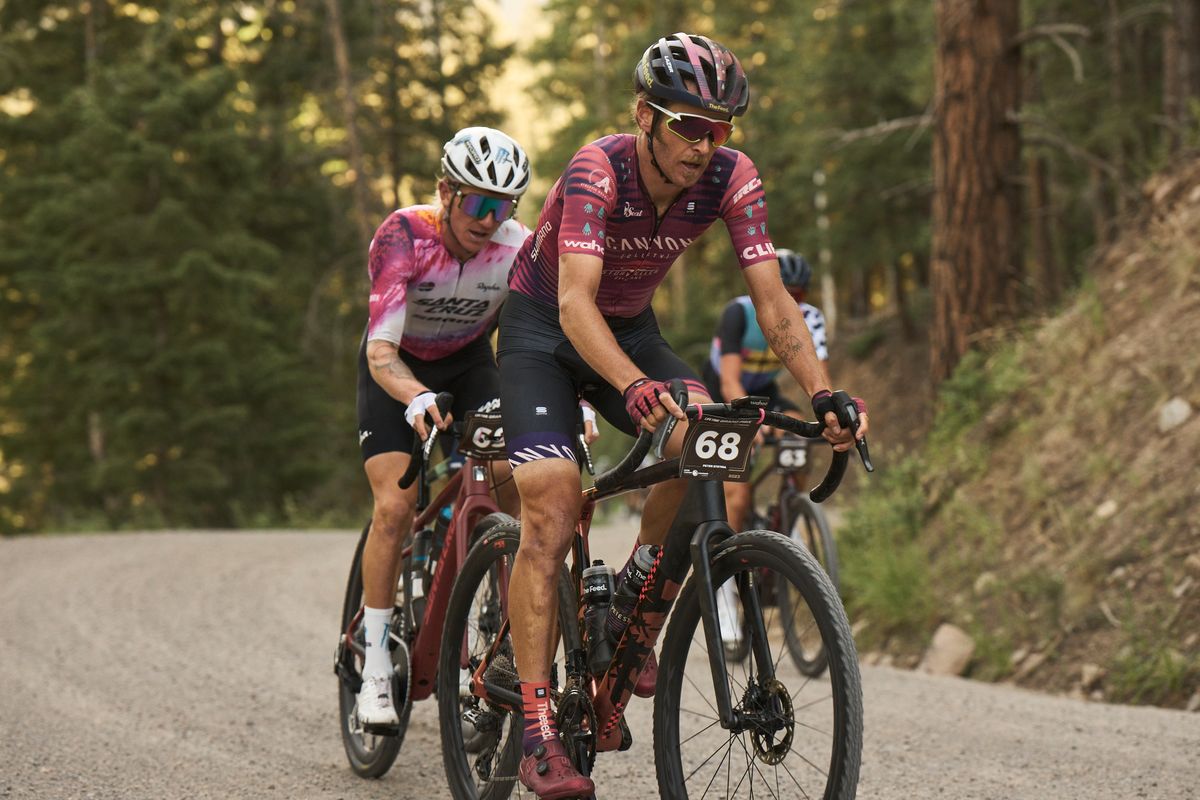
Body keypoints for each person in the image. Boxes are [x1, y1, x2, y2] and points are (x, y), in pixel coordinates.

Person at [496, 32, 869, 798]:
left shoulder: (732, 178)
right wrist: (632, 385)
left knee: (710, 434)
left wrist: (824, 392)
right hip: (544, 328)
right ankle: (536, 731)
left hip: (628, 327)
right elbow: (572, 302)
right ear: (645, 114)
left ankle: (636, 590)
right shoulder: (599, 168)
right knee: (555, 503)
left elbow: (774, 303)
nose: (705, 145)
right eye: (688, 125)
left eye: (720, 128)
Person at [353, 126, 533, 728]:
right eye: (477, 202)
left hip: (469, 363)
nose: (488, 219)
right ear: (445, 193)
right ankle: (375, 663)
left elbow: (538, 337)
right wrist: (412, 396)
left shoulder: (517, 248)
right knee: (396, 507)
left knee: (514, 477)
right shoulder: (403, 236)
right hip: (398, 365)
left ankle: (500, 626)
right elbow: (381, 353)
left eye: (501, 206)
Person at [702, 248, 830, 652]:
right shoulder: (738, 313)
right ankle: (724, 592)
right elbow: (730, 383)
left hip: (766, 391)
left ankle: (791, 513)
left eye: (800, 293)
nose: (793, 300)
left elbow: (820, 377)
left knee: (800, 436)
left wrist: (827, 415)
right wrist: (747, 421)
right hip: (725, 392)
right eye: (784, 291)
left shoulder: (811, 318)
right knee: (736, 492)